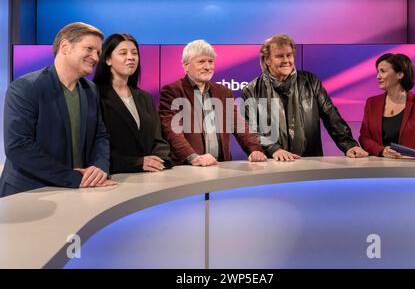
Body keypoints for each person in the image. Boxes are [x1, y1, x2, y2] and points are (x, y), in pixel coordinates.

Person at [0, 22, 114, 197]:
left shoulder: (90, 90)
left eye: (98, 52)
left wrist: (99, 168)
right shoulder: (25, 87)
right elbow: (18, 146)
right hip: (28, 193)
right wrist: (73, 178)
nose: (96, 57)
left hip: (75, 191)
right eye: (89, 49)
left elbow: (101, 135)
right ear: (65, 46)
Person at [241, 33, 368, 161]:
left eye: (289, 55)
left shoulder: (310, 81)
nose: (286, 60)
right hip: (272, 163)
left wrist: (349, 145)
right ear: (267, 60)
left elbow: (331, 116)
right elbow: (250, 130)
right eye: (279, 56)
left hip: (309, 163)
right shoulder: (251, 90)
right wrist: (274, 149)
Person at [159, 39, 267, 166]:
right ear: (186, 65)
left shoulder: (223, 92)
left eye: (210, 61)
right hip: (188, 168)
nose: (207, 67)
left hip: (220, 167)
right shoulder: (172, 91)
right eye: (201, 62)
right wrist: (193, 157)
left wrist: (255, 150)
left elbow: (239, 125)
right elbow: (172, 132)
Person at [93, 33, 172, 173]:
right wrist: (137, 163)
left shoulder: (145, 97)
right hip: (115, 178)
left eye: (134, 53)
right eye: (123, 53)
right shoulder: (95, 95)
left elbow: (159, 140)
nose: (131, 57)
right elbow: (96, 147)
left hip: (152, 178)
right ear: (108, 59)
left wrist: (159, 160)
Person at [359, 53, 415, 161]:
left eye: (383, 71)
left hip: (408, 169)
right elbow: (364, 138)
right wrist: (382, 151)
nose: (378, 76)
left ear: (400, 75)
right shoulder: (372, 103)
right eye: (378, 72)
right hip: (377, 167)